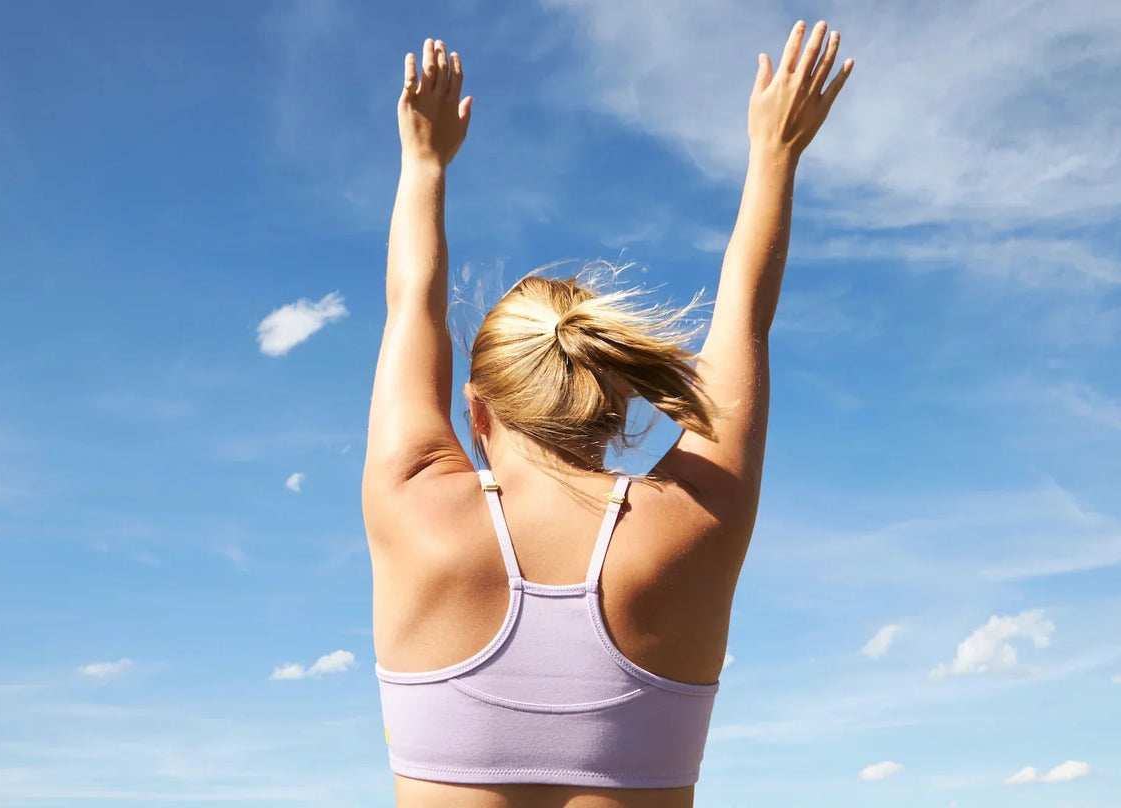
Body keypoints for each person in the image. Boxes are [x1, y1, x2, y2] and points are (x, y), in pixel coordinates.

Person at [363, 21, 853, 808]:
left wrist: (424, 162)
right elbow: (745, 322)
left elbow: (410, 306)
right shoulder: (694, 520)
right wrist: (776, 152)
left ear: (476, 411)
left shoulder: (415, 505)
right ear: (616, 402)